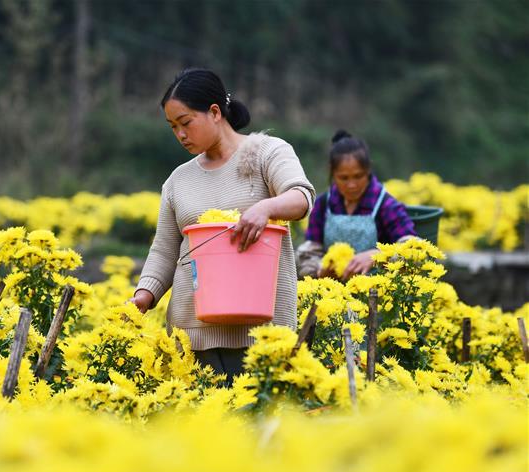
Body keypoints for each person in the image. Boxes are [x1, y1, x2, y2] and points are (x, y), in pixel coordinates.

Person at [129, 68, 315, 384]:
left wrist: (265, 208)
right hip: (193, 335)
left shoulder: (267, 152)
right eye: (173, 127)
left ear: (215, 112)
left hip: (262, 332)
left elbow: (301, 197)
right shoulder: (179, 180)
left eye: (186, 122)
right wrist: (141, 299)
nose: (180, 134)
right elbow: (164, 251)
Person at [296, 130, 418, 279]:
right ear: (332, 173)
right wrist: (320, 269)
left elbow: (413, 248)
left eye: (358, 176)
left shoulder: (386, 205)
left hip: (378, 293)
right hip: (332, 296)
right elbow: (309, 254)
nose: (352, 185)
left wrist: (378, 255)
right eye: (344, 178)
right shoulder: (323, 205)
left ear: (368, 170)